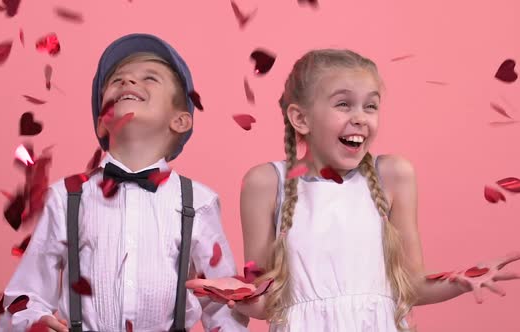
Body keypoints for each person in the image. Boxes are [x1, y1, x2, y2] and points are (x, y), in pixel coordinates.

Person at [187, 49, 520, 331]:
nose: (361, 118)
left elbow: (412, 286)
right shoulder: (266, 182)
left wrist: (461, 281)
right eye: (344, 104)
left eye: (370, 106)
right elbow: (266, 302)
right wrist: (234, 298)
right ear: (300, 118)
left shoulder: (393, 175)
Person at [0, 33, 249, 332]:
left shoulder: (198, 201)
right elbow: (26, 295)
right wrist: (35, 322)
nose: (128, 82)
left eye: (150, 78)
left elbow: (221, 302)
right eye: (117, 80)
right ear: (102, 121)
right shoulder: (65, 197)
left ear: (180, 120)